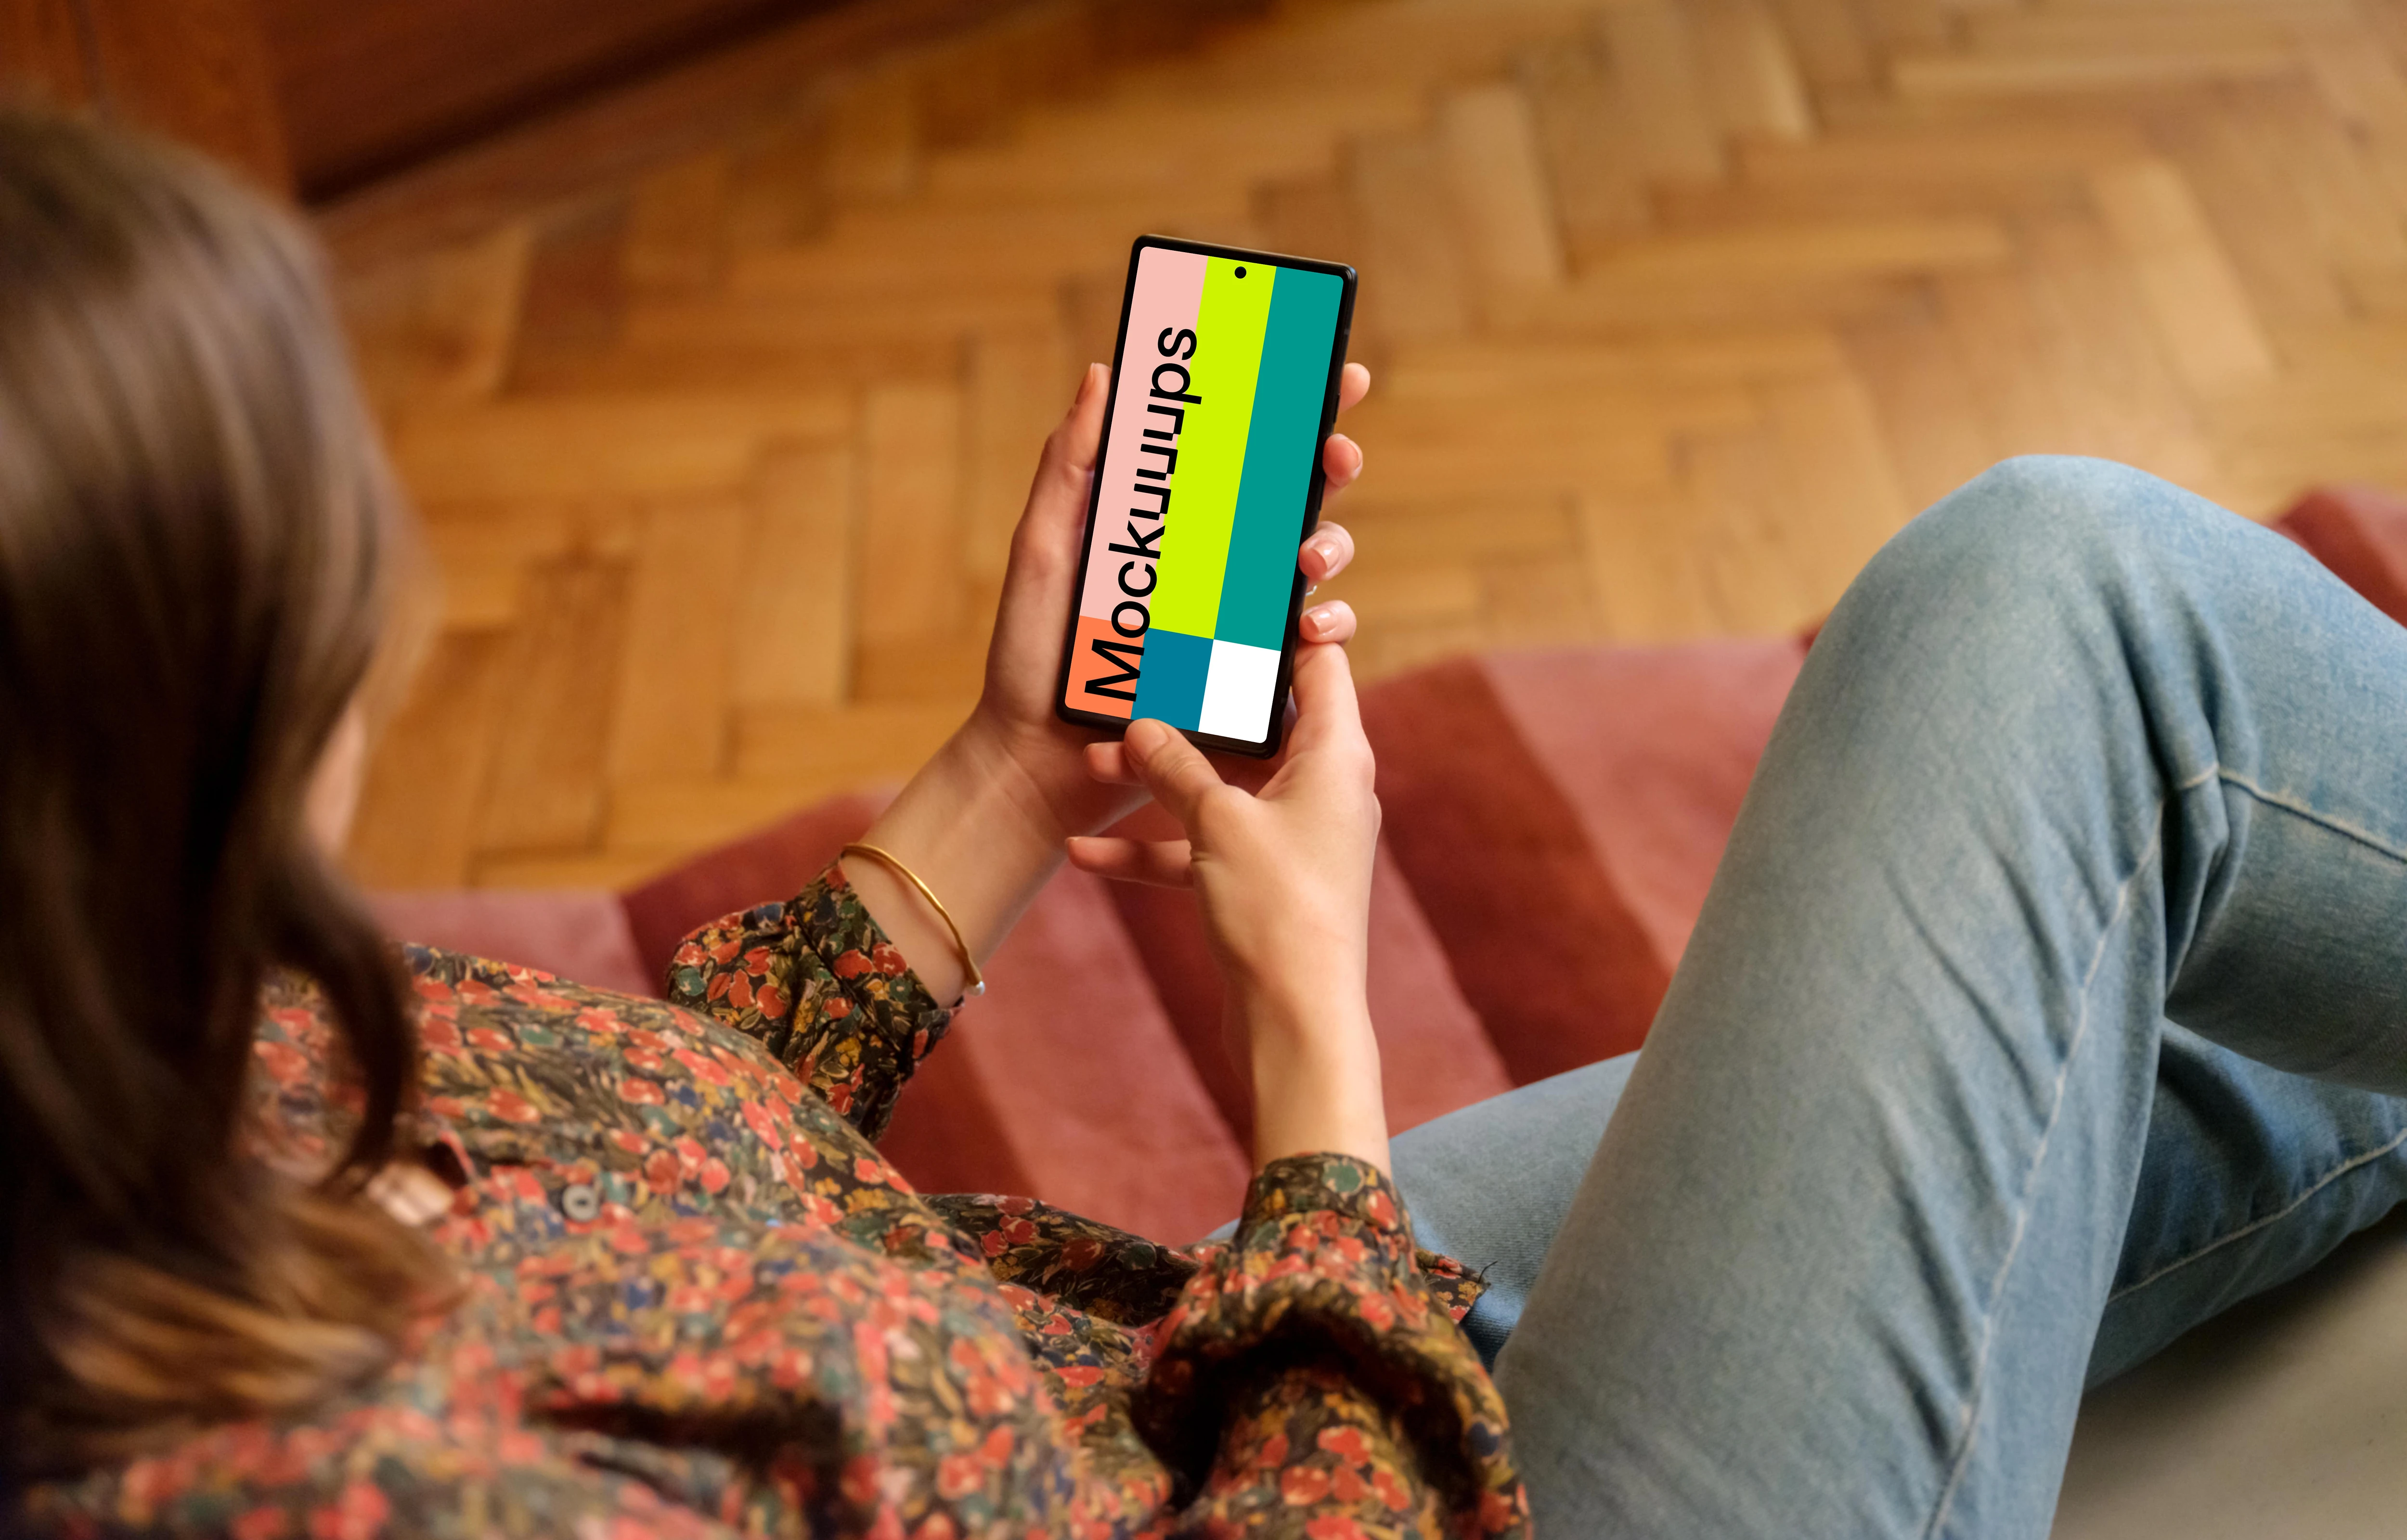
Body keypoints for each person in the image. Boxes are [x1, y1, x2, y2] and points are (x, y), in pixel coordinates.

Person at [9, 107, 2407, 1540]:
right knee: (2053, 608)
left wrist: (1002, 775)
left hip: (1200, 1380)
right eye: (317, 528)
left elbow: (637, 1178)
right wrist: (1309, 1063)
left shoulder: (143, 1046)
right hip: (1320, 1457)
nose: (390, 574)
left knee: (2090, 1025)